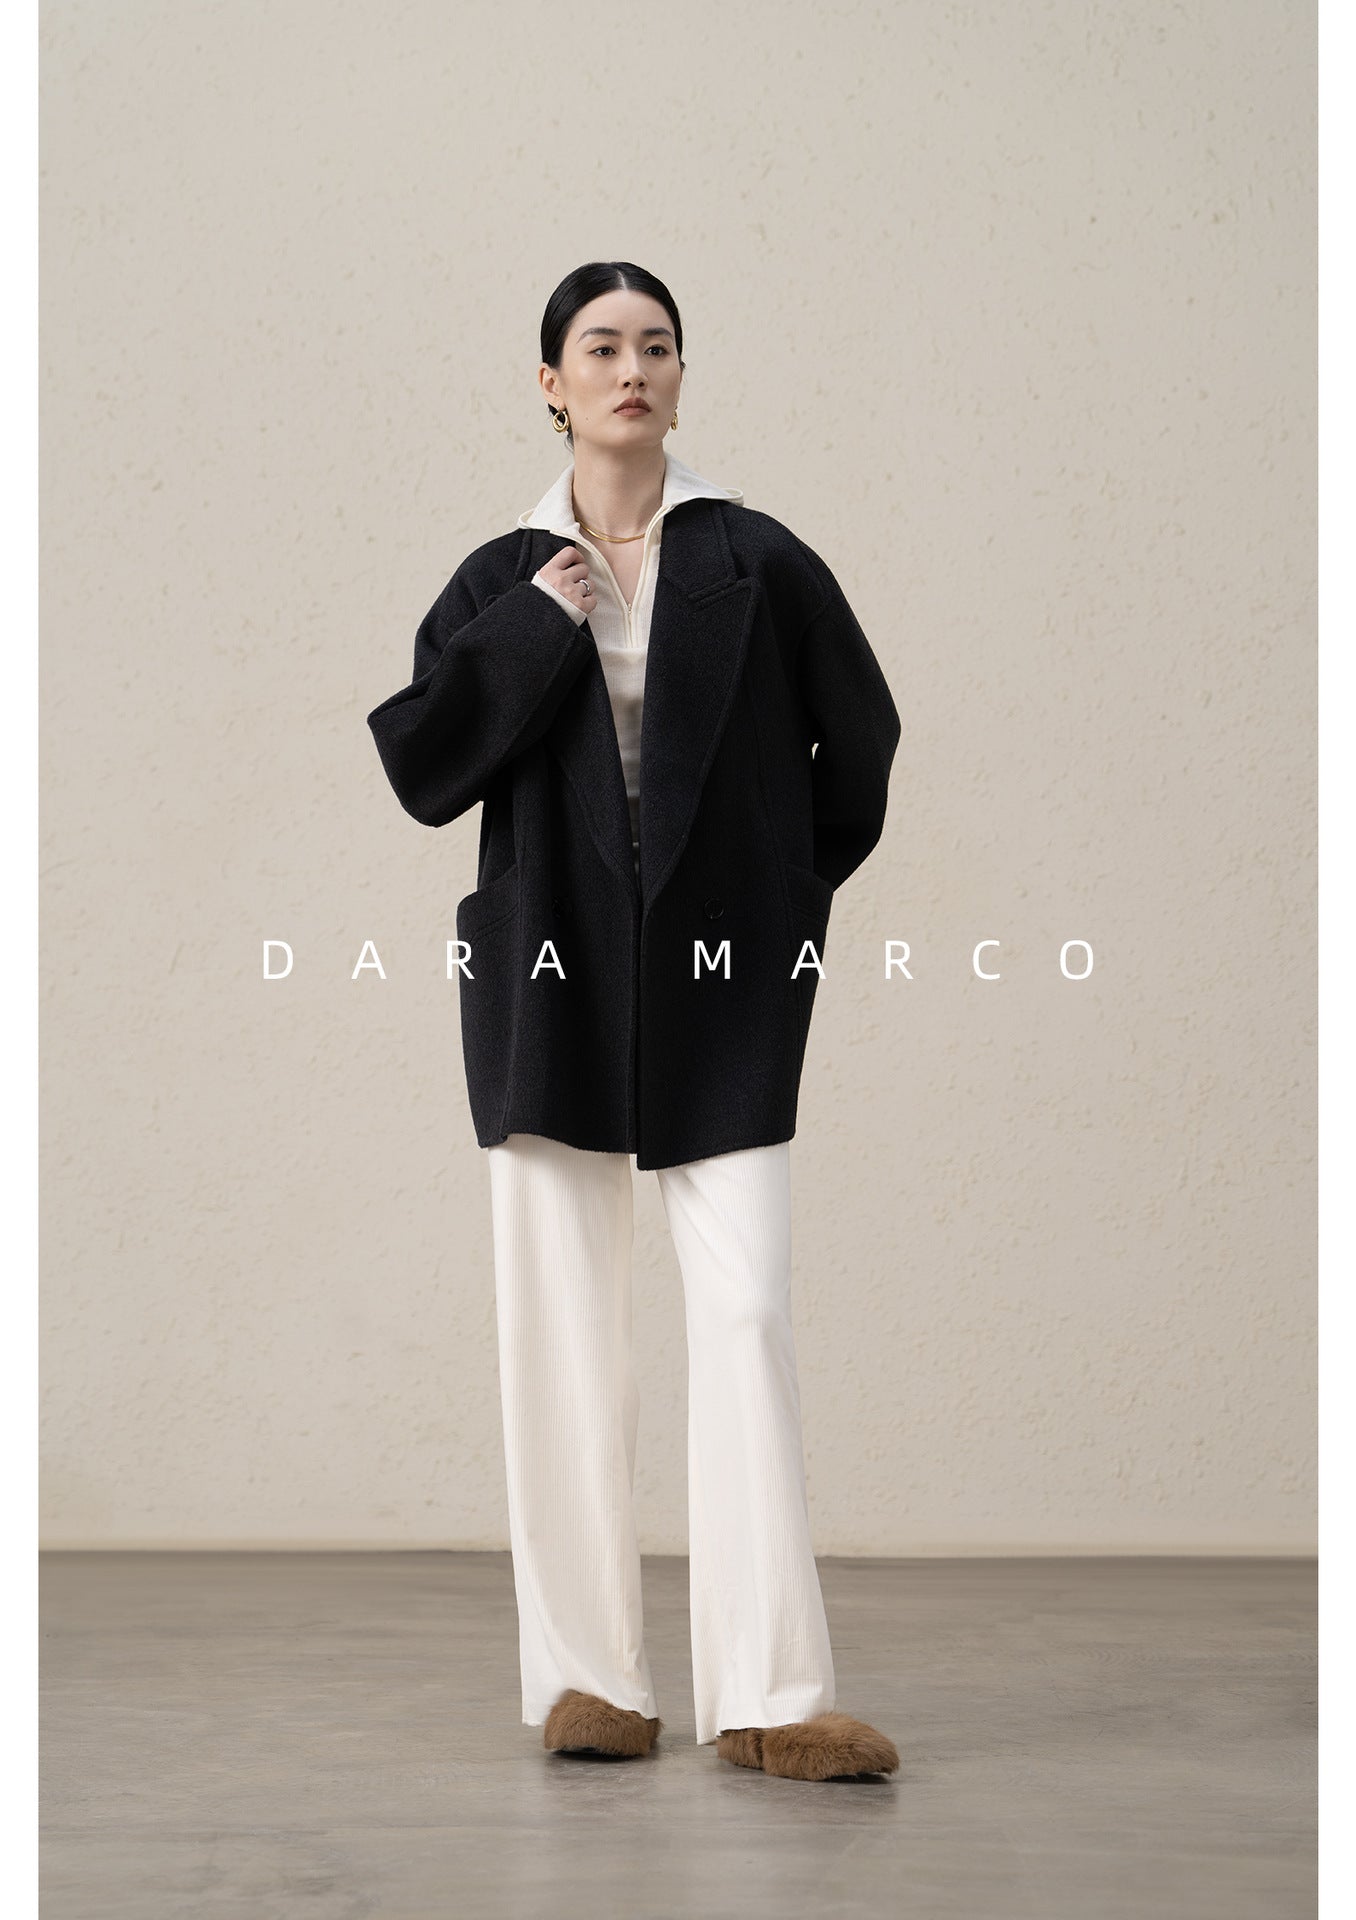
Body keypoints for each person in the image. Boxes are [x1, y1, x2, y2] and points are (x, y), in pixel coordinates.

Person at [367, 262, 901, 1782]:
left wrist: (781, 892)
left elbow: (860, 740)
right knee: (561, 1327)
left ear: (679, 376)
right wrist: (537, 626)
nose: (631, 369)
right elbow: (422, 766)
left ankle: (773, 1695)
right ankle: (589, 1681)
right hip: (550, 971)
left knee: (744, 1313)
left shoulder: (758, 559)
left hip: (723, 977)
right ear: (551, 383)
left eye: (655, 345)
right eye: (599, 347)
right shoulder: (502, 573)